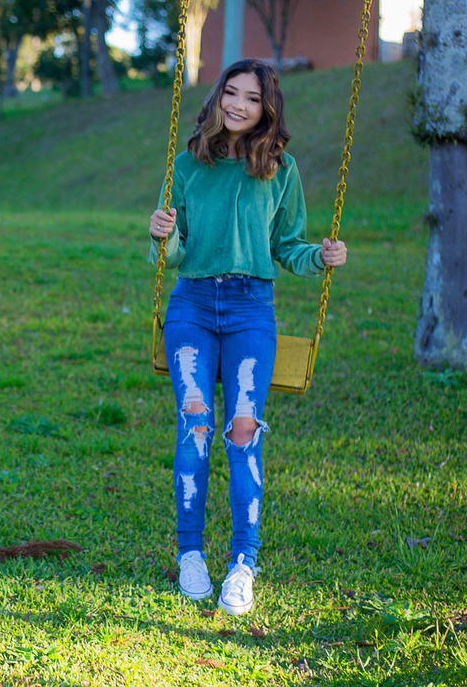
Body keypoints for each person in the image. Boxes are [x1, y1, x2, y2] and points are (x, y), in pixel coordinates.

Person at [148, 59, 347, 617]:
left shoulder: (281, 171)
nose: (237, 105)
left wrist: (323, 257)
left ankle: (243, 565)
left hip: (250, 308)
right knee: (195, 424)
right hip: (190, 304)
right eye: (230, 93)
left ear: (267, 109)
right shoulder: (186, 165)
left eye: (251, 98)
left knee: (242, 429)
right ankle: (191, 554)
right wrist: (158, 234)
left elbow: (289, 247)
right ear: (216, 98)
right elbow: (167, 248)